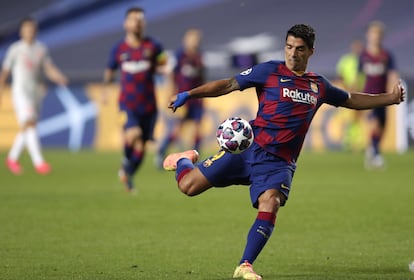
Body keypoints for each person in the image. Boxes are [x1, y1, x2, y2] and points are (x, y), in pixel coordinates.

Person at [162, 24, 405, 279]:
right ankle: (183, 159)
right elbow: (228, 84)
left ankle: (245, 265)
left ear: (311, 51)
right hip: (247, 149)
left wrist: (389, 98)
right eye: (289, 47)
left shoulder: (318, 86)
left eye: (300, 49)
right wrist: (189, 94)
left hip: (278, 164)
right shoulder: (269, 71)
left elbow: (351, 99)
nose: (293, 54)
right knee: (187, 186)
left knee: (271, 202)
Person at [102, 7, 167, 192]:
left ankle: (127, 173)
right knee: (134, 135)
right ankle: (126, 162)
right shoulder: (119, 48)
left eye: (140, 19)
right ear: (126, 23)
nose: (137, 22)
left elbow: (164, 65)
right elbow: (109, 70)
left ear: (144, 23)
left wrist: (165, 71)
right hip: (127, 104)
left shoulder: (153, 46)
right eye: (133, 19)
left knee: (141, 147)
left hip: (148, 105)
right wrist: (105, 91)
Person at [0, 17, 68, 175]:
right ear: (21, 31)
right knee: (29, 123)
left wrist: (59, 77)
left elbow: (48, 68)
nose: (29, 32)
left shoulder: (41, 49)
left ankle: (12, 157)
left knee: (29, 126)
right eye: (26, 29)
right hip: (20, 91)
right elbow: (5, 73)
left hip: (36, 91)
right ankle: (39, 162)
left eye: (32, 29)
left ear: (36, 31)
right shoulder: (15, 49)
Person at [157, 28, 205, 167]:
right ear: (186, 40)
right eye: (192, 39)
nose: (195, 42)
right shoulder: (179, 56)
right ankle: (161, 152)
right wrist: (171, 94)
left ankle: (196, 159)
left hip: (196, 99)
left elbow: (202, 78)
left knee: (197, 128)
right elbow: (171, 76)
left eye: (197, 40)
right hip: (182, 99)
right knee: (177, 129)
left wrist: (204, 94)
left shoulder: (199, 58)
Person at [359, 21, 399, 169]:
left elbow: (393, 73)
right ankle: (375, 153)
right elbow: (358, 76)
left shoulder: (386, 55)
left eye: (378, 34)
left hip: (383, 96)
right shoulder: (363, 55)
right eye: (373, 34)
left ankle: (373, 148)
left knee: (382, 124)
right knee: (374, 122)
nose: (375, 37)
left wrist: (394, 90)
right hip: (369, 96)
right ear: (368, 35)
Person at [335, 39, 365, 151]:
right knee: (348, 118)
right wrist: (347, 87)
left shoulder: (364, 60)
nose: (357, 49)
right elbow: (340, 75)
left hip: (360, 93)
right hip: (347, 93)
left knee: (358, 118)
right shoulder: (346, 60)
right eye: (356, 47)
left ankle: (358, 142)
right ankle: (348, 141)